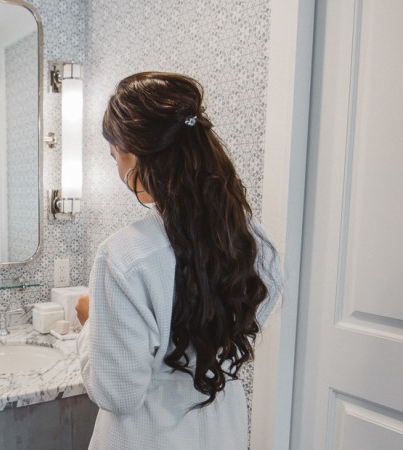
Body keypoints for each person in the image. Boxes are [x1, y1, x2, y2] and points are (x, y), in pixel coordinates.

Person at [75, 72, 282, 450]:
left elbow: (119, 393)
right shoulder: (253, 241)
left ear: (134, 158)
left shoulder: (123, 256)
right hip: (224, 433)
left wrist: (92, 325)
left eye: (114, 157)